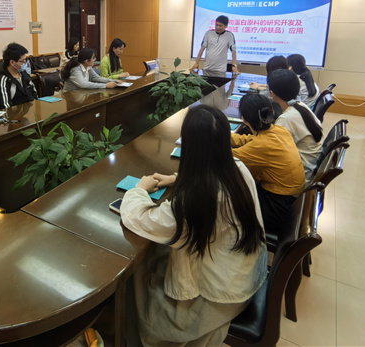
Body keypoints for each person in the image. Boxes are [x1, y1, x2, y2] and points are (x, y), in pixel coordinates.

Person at [120, 105, 267, 346]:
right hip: (243, 273)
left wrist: (139, 190)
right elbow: (210, 173)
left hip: (217, 298)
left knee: (141, 278)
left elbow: (138, 218)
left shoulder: (197, 200)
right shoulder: (238, 167)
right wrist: (175, 179)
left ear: (190, 146)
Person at [231, 93, 304, 235]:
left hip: (277, 209)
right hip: (293, 202)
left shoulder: (261, 145)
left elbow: (225, 156)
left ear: (244, 119)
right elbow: (249, 140)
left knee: (229, 195)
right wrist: (223, 134)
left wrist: (208, 137)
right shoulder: (279, 130)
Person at [268, 69, 324, 179]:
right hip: (308, 167)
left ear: (272, 93)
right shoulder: (301, 105)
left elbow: (273, 154)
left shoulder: (286, 119)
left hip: (298, 176)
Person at [0, 43, 38, 110]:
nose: (25, 63)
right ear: (12, 62)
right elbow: (5, 108)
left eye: (26, 60)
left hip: (28, 112)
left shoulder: (24, 74)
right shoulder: (1, 80)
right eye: (23, 61)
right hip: (13, 115)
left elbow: (34, 94)